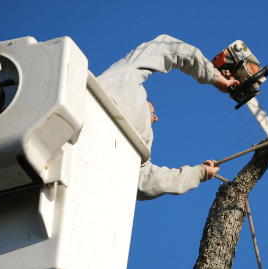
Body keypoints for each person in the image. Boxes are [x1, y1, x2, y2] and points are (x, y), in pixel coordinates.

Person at [97, 35, 238, 201]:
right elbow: (167, 48)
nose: (156, 118)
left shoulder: (140, 154)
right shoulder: (125, 79)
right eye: (152, 109)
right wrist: (215, 77)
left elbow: (147, 183)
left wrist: (199, 173)